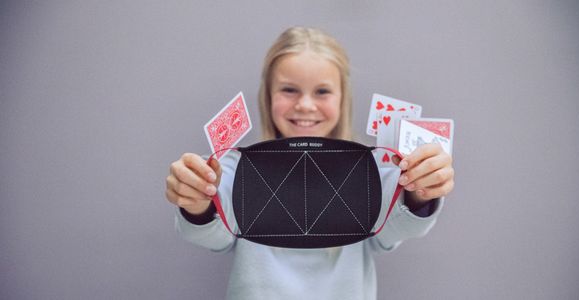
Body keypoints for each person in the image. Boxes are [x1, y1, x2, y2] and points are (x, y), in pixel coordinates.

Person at [165, 26, 454, 299]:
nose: (305, 105)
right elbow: (215, 236)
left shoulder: (376, 170)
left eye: (322, 91)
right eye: (289, 90)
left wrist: (419, 190)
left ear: (343, 100)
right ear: (267, 97)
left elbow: (399, 227)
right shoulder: (231, 169)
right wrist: (196, 201)